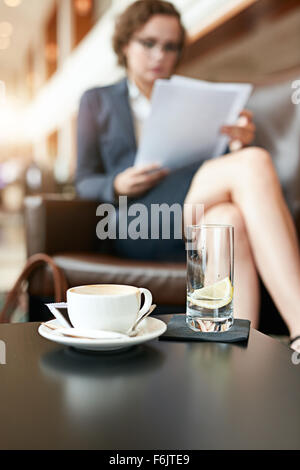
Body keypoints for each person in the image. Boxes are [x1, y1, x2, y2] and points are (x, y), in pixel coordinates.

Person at [76, 0, 300, 352]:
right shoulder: (98, 101)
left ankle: (231, 349)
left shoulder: (193, 96)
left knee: (228, 219)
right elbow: (84, 179)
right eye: (148, 43)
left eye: (170, 46)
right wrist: (117, 183)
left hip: (193, 210)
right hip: (138, 219)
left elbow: (213, 167)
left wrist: (236, 144)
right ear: (124, 44)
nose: (159, 55)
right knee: (254, 163)